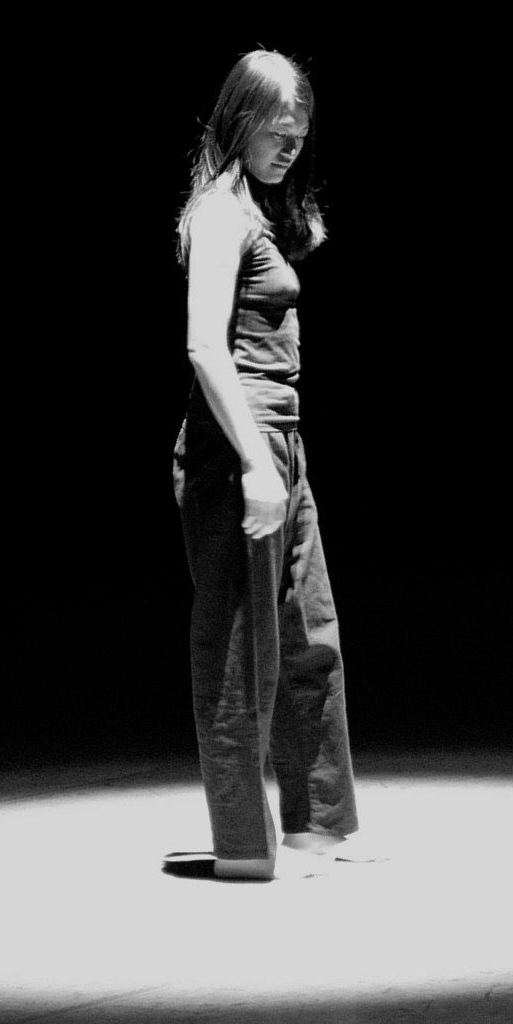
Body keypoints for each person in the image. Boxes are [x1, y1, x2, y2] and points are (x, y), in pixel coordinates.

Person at [174, 49, 359, 880]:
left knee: (309, 635)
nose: (291, 146)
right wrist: (254, 462)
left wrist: (277, 456)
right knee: (241, 651)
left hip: (281, 442)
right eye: (278, 131)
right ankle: (245, 848)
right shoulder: (220, 213)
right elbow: (204, 348)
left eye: (300, 135)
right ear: (241, 120)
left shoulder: (258, 207)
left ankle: (318, 827)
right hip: (235, 450)